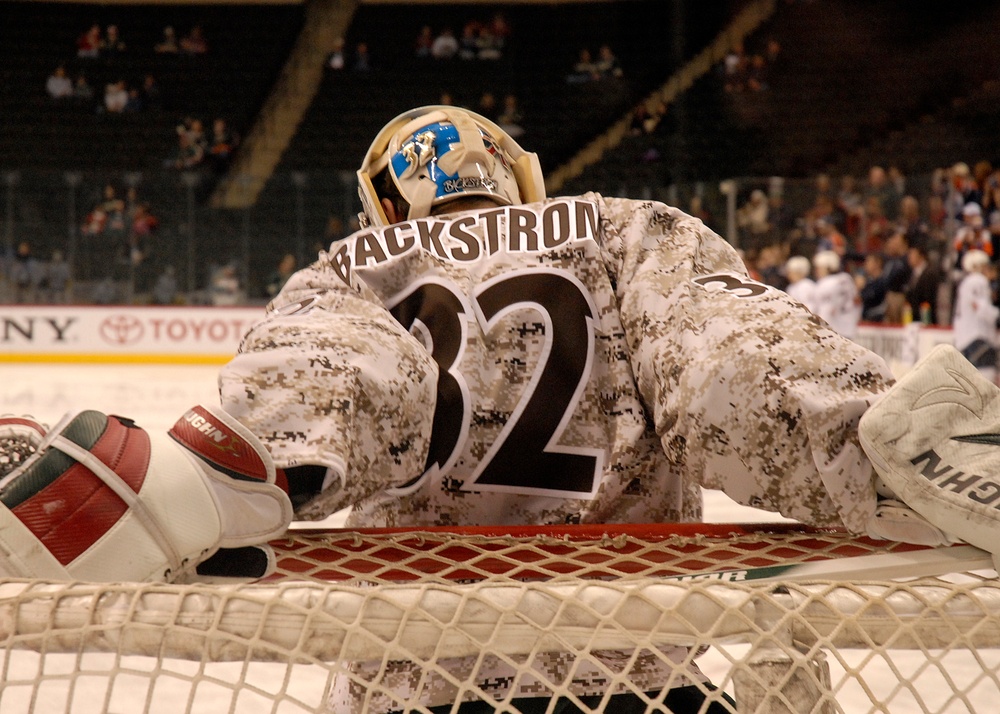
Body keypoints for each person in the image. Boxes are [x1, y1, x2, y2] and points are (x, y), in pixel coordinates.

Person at [5, 105, 1000, 712]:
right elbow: (723, 377)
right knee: (737, 362)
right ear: (512, 172)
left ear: (384, 203)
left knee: (332, 371)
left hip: (414, 687)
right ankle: (896, 441)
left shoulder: (348, 269)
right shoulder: (623, 228)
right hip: (642, 684)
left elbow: (345, 370)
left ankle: (209, 474)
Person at [952, 249, 999, 383]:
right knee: (986, 382)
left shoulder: (965, 282)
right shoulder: (978, 281)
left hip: (965, 338)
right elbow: (979, 307)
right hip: (978, 337)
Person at [811, 250, 862, 339]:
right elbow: (856, 301)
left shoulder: (824, 284)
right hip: (849, 327)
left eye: (819, 268)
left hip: (832, 331)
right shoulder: (846, 278)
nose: (817, 271)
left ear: (828, 267)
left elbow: (822, 311)